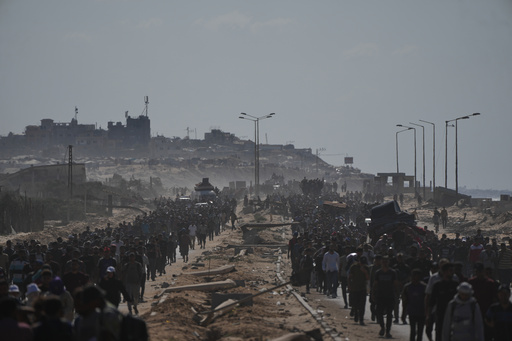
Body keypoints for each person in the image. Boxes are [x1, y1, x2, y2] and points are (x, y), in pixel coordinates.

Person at [429, 262, 459, 341]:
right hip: (440, 314)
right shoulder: (437, 285)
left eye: (453, 270)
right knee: (439, 334)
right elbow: (431, 302)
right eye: (450, 270)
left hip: (453, 315)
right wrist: (428, 316)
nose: (452, 272)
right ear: (444, 271)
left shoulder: (456, 285)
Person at [373, 255, 399, 338]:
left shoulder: (392, 272)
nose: (384, 263)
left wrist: (397, 295)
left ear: (388, 262)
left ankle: (388, 331)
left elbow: (395, 284)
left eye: (386, 261)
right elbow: (375, 284)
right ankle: (382, 327)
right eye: (383, 261)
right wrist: (373, 294)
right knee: (379, 313)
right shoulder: (378, 273)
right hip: (380, 296)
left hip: (390, 296)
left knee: (389, 314)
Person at [402, 268, 427, 341]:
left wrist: (427, 314)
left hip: (421, 313)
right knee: (413, 331)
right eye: (413, 276)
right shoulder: (407, 287)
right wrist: (404, 313)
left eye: (416, 276)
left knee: (420, 332)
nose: (414, 278)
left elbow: (427, 301)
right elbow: (404, 301)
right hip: (411, 312)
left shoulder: (424, 287)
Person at [348, 255, 369, 325]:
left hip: (362, 289)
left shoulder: (367, 268)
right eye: (361, 262)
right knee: (355, 304)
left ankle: (361, 319)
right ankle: (356, 314)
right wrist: (349, 286)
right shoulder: (354, 267)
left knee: (362, 305)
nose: (362, 264)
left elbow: (368, 279)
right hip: (354, 288)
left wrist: (365, 272)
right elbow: (350, 277)